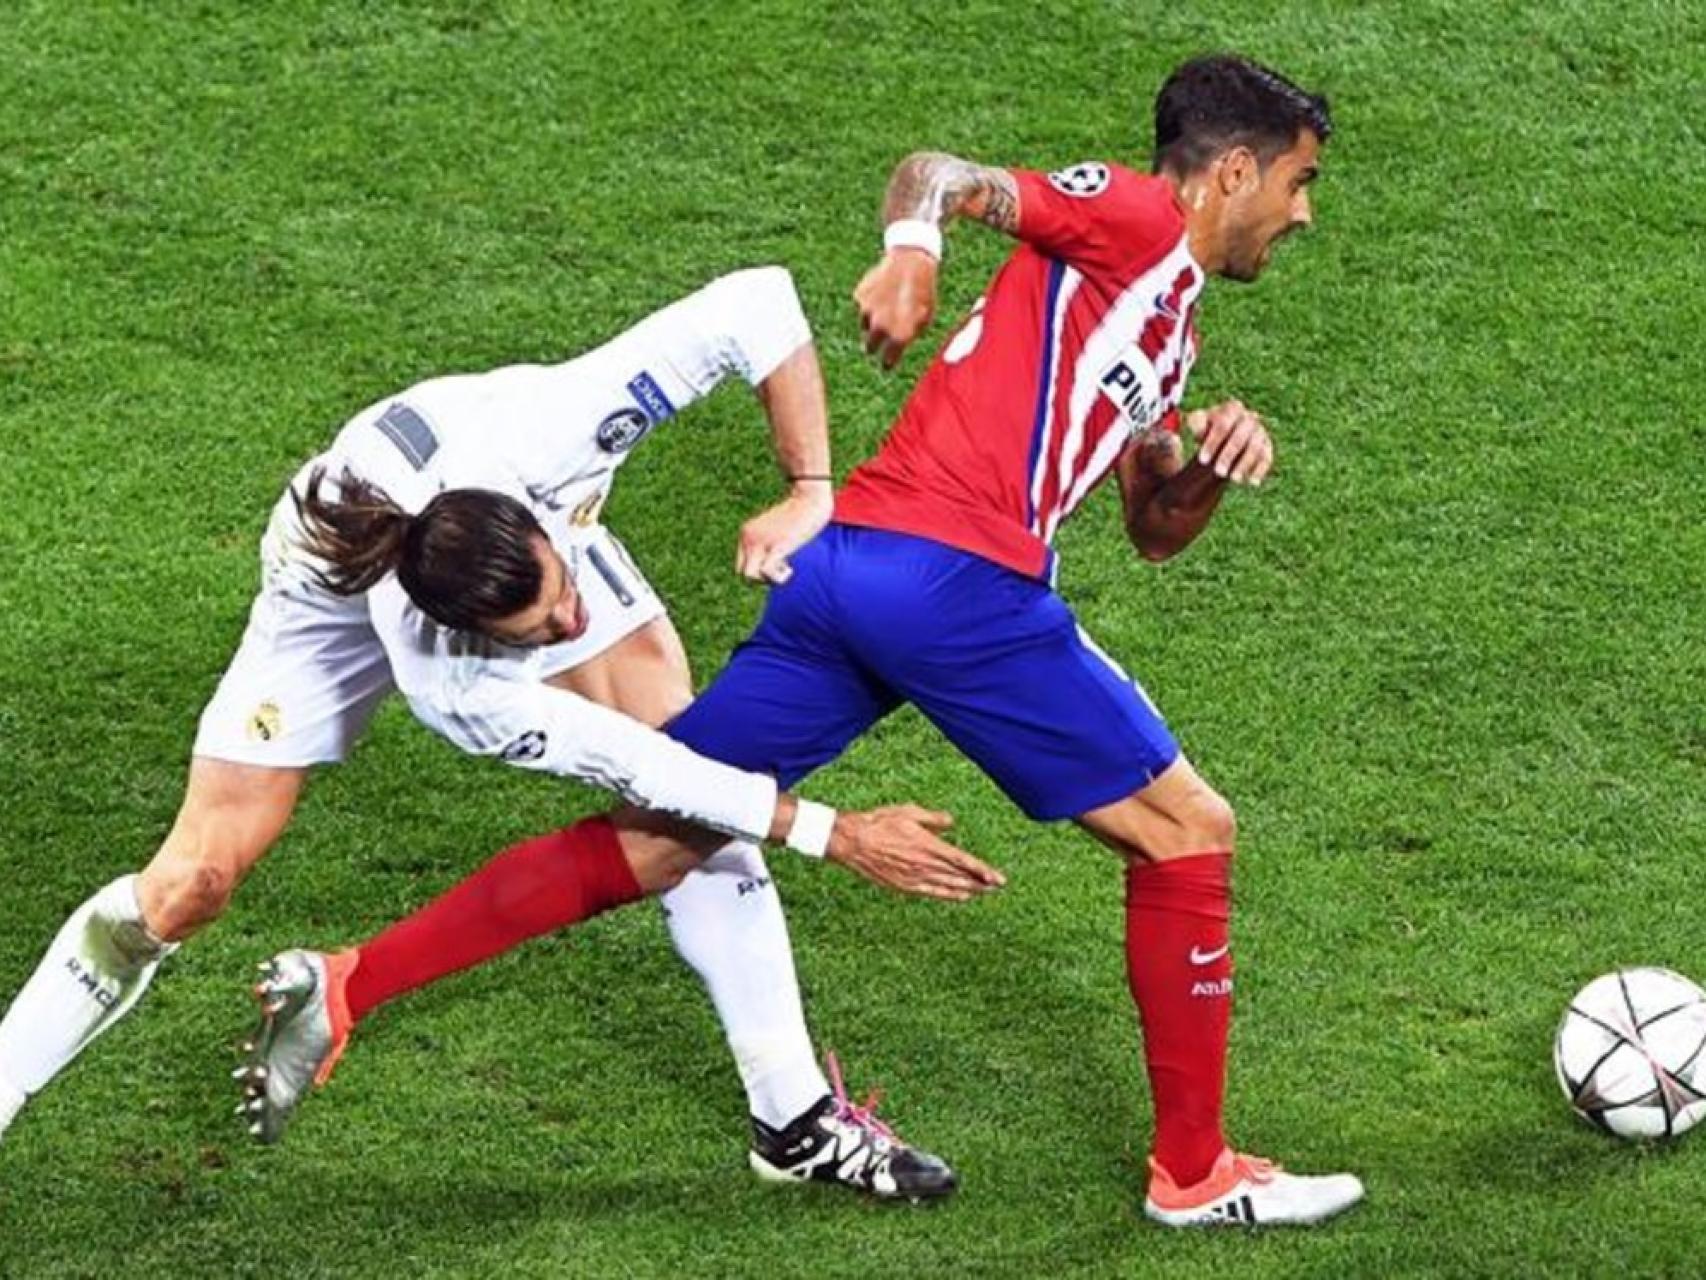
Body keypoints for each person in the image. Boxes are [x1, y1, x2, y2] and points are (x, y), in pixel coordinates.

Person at [257, 53, 1365, 1227]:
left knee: (664, 829)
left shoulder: (1166, 325)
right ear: (1232, 169)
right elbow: (936, 175)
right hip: (955, 581)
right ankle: (1191, 1172)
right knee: (1187, 828)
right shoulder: (1133, 216)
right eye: (1295, 181)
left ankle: (349, 981)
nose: (1300, 211)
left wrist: (1204, 462)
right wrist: (911, 252)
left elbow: (1149, 529)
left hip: (849, 578)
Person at [0, 266, 999, 1202]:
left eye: (562, 592)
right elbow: (640, 760)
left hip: (474, 502)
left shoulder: (549, 439)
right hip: (322, 586)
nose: (573, 624)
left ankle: (793, 1119)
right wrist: (838, 831)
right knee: (192, 884)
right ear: (481, 637)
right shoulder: (459, 683)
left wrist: (807, 488)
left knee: (697, 805)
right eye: (543, 631)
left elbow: (759, 303)